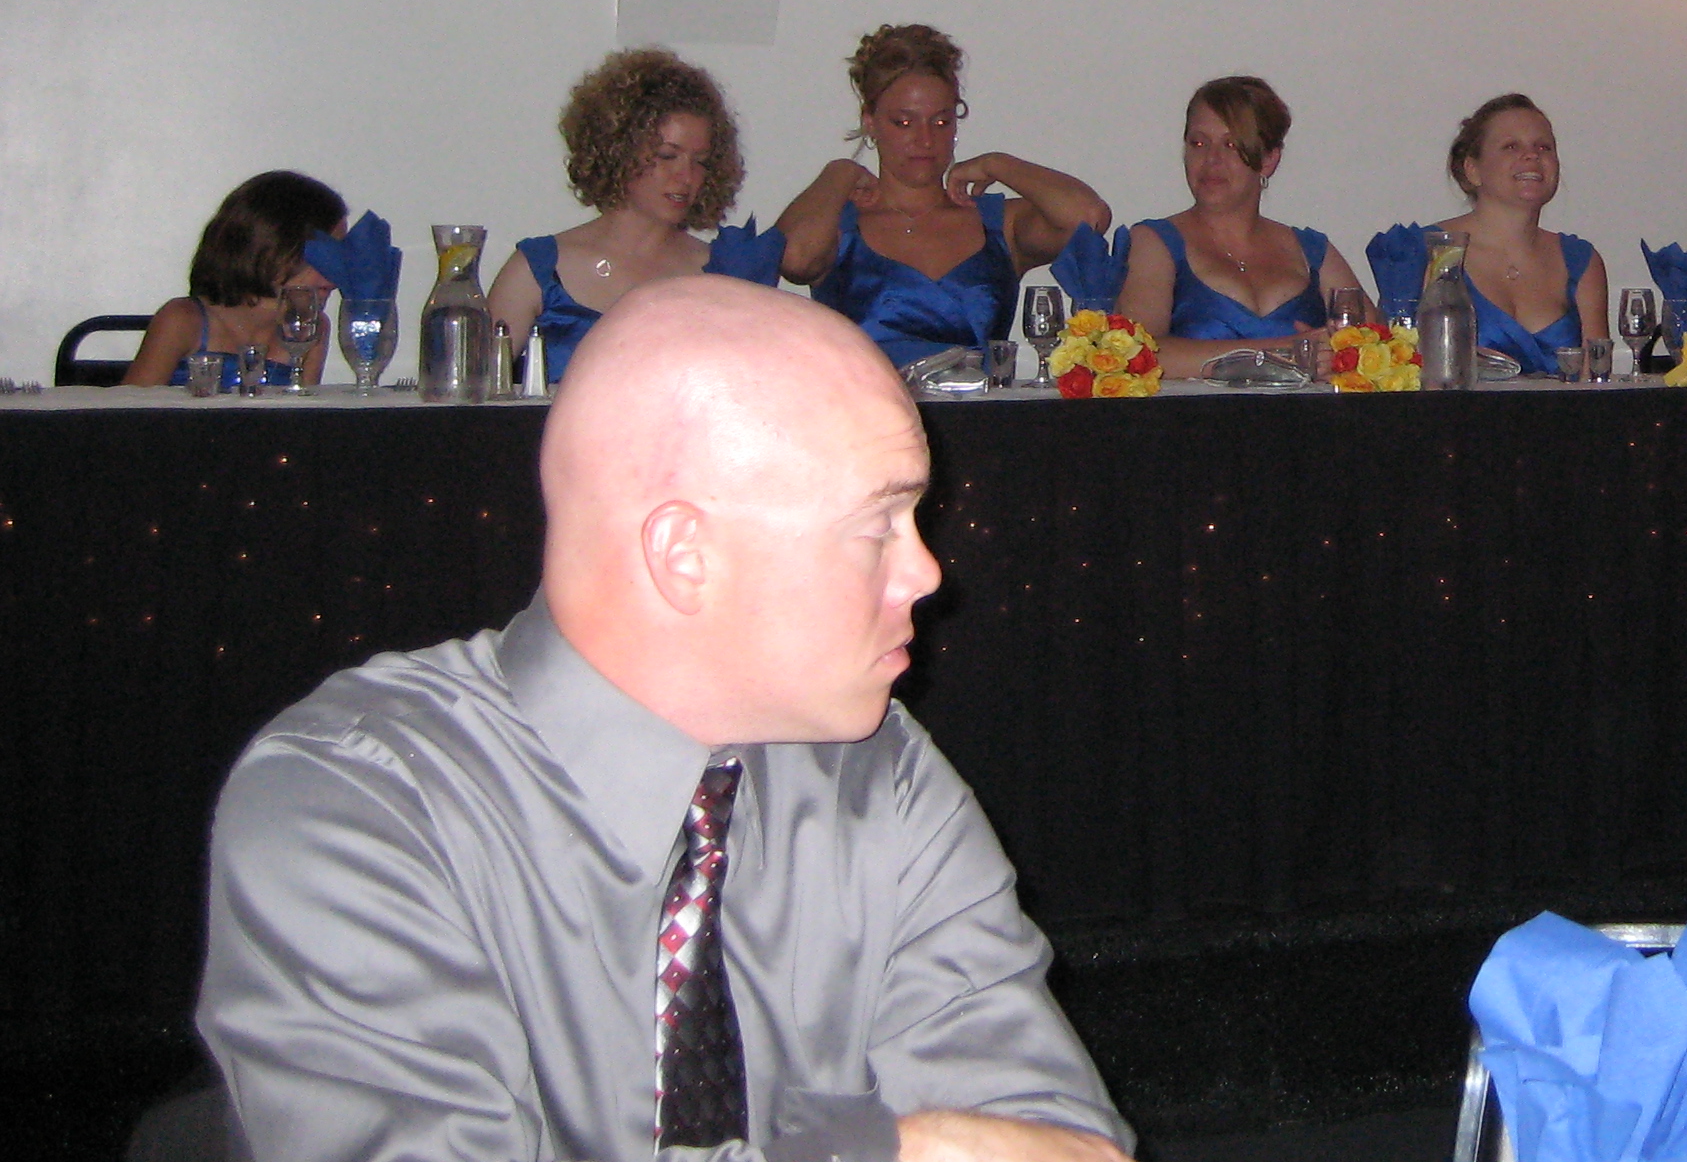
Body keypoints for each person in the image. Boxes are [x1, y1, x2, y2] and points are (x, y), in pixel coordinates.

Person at [196, 277, 1132, 1162]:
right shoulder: (359, 799)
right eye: (876, 526)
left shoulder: (876, 776)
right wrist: (864, 1146)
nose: (926, 573)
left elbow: (1050, 1132)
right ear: (685, 554)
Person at [778, 24, 1109, 368]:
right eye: (903, 122)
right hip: (861, 401)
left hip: (985, 403)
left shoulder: (998, 224)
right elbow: (792, 259)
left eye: (940, 122)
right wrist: (839, 172)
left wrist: (999, 164)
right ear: (871, 123)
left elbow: (1089, 218)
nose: (925, 140)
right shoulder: (839, 225)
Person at [488, 48, 747, 384]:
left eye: (701, 161)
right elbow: (475, 399)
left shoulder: (721, 273)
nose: (686, 176)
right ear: (618, 151)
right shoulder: (538, 269)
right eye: (667, 156)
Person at [1114, 74, 1365, 373]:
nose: (1212, 160)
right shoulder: (1154, 242)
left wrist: (1337, 357)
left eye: (1231, 145)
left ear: (1268, 160)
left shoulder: (1312, 251)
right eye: (1198, 143)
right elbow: (1141, 354)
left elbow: (1378, 348)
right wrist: (1285, 351)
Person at [1428, 94, 1610, 375]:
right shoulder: (1429, 250)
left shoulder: (1581, 261)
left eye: (1544, 147)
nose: (1532, 155)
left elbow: (1595, 381)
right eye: (1511, 146)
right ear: (1473, 170)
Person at [122, 171, 346, 388]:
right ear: (272, 249)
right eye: (324, 255)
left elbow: (304, 410)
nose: (336, 272)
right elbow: (130, 408)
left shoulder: (312, 326)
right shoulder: (183, 319)